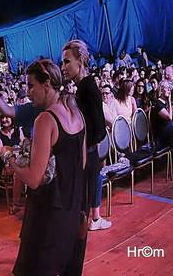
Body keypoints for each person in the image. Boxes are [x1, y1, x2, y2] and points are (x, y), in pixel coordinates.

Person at [10, 59, 86, 276]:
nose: (28, 92)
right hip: (71, 210)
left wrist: (10, 160)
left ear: (47, 84)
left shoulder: (45, 120)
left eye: (31, 85)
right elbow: (80, 163)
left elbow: (34, 179)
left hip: (47, 213)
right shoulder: (77, 114)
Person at [60, 40, 110, 242]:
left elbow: (97, 129)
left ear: (80, 61)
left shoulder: (87, 88)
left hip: (88, 153)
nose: (63, 67)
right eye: (62, 63)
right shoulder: (83, 87)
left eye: (67, 62)